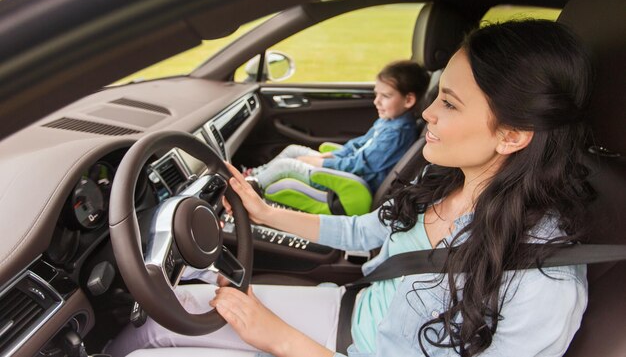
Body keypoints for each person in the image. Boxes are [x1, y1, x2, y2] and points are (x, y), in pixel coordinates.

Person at [106, 20, 594, 357]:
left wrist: (281, 340)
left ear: (511, 135)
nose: (426, 113)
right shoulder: (444, 178)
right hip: (349, 313)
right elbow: (365, 232)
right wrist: (266, 212)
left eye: (448, 102)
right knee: (161, 316)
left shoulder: (544, 283)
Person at [245, 60, 430, 193]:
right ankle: (256, 174)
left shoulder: (397, 134)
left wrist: (322, 163)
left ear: (408, 100)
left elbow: (360, 166)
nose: (377, 101)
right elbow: (359, 145)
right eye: (376, 94)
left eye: (386, 96)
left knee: (286, 166)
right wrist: (334, 155)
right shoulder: (388, 121)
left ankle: (250, 188)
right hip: (346, 169)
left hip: (351, 182)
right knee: (293, 150)